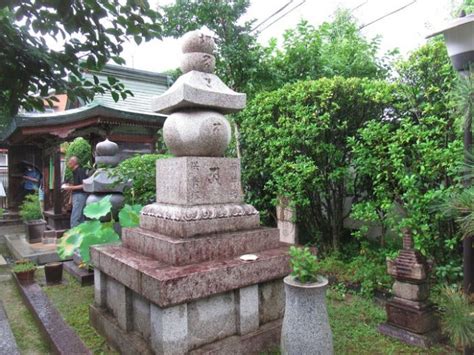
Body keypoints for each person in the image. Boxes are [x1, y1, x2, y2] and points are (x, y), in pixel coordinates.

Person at [62, 156, 88, 227]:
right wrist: (70, 201)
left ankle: (74, 235)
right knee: (80, 218)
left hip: (80, 195)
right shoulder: (74, 172)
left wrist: (70, 187)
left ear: (73, 162)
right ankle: (81, 235)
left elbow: (84, 185)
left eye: (69, 161)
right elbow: (75, 186)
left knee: (75, 218)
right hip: (77, 196)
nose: (68, 163)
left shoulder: (80, 171)